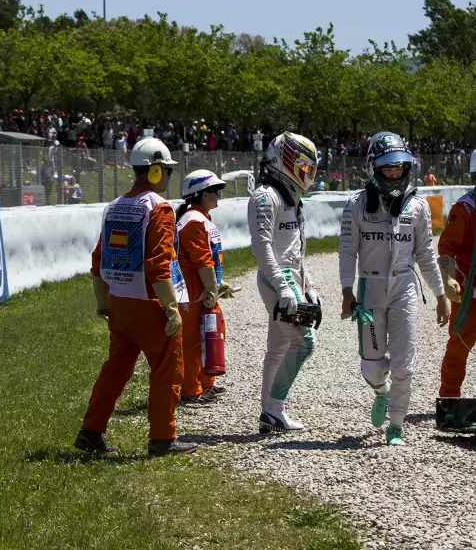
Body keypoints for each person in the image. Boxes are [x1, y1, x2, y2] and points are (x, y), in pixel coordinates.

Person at [77, 138, 197, 457]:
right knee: (167, 370)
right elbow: (158, 266)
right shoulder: (159, 208)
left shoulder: (114, 206)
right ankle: (162, 439)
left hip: (119, 303)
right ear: (156, 171)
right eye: (166, 171)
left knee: (115, 369)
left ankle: (91, 431)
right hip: (149, 305)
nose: (168, 178)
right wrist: (172, 309)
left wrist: (103, 302)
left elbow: (98, 260)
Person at [339, 132, 449, 446]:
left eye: (399, 166)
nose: (394, 171)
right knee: (372, 367)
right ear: (375, 166)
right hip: (369, 290)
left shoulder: (419, 206)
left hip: (405, 287)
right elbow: (347, 251)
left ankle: (396, 425)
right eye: (388, 166)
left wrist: (440, 296)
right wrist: (347, 291)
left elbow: (427, 253)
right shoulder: (356, 205)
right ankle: (381, 393)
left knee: (404, 363)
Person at [248, 132, 320, 434]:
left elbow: (295, 249)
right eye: (302, 165)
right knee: (304, 343)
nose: (307, 173)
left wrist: (309, 284)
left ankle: (269, 413)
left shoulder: (291, 196)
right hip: (278, 278)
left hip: (291, 278)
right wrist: (283, 285)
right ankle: (275, 408)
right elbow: (261, 246)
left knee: (277, 347)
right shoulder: (265, 196)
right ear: (286, 160)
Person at [176, 169, 235, 404]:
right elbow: (202, 261)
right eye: (214, 191)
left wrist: (218, 284)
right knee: (192, 341)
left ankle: (205, 383)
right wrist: (211, 289)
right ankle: (191, 390)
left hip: (201, 287)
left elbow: (208, 261)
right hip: (190, 291)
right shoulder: (193, 221)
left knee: (213, 331)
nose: (218, 195)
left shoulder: (201, 218)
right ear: (200, 194)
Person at [437, 150, 476, 400]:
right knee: (457, 350)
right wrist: (449, 279)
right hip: (468, 296)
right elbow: (447, 248)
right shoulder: (465, 209)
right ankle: (450, 401)